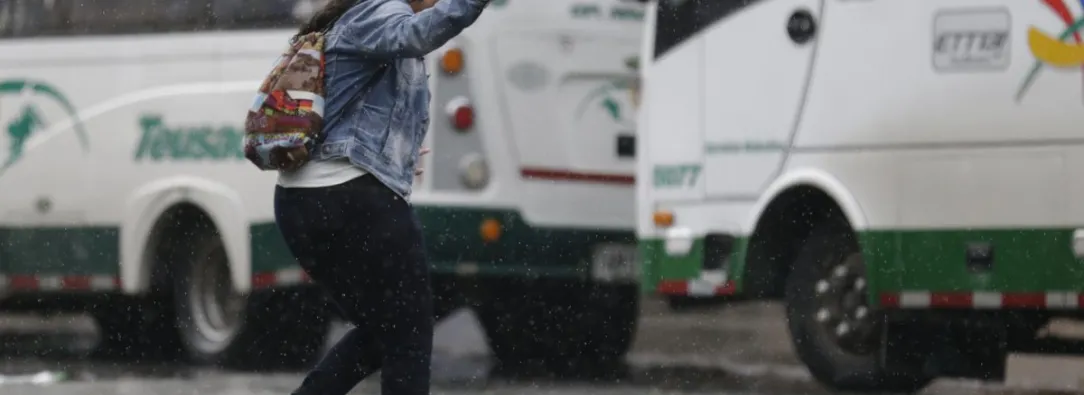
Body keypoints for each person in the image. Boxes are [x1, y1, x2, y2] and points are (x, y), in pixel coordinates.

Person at [272, 1, 491, 395]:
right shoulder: (380, 10)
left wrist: (396, 159)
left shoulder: (363, 20)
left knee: (385, 330)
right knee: (408, 335)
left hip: (304, 201)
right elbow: (419, 32)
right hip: (351, 198)